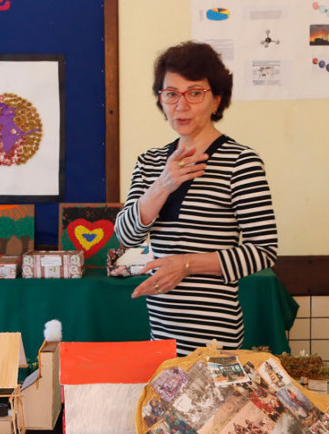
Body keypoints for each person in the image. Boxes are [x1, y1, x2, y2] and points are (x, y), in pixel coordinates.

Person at [115, 41, 279, 356]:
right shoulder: (149, 162)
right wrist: (163, 184)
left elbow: (263, 251)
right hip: (162, 337)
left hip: (218, 343)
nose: (181, 105)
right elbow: (126, 235)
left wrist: (186, 265)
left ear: (216, 100)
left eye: (195, 93)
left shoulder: (240, 162)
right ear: (160, 100)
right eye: (171, 94)